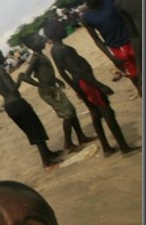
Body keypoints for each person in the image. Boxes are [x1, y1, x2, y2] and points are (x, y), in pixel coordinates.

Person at [43, 19, 140, 157]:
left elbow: (63, 73)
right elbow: (78, 70)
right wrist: (99, 84)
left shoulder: (54, 51)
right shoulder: (65, 50)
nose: (65, 29)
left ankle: (106, 147)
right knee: (107, 112)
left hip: (80, 84)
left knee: (95, 114)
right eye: (61, 28)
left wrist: (76, 88)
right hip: (87, 83)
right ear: (55, 33)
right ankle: (124, 147)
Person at [0, 47, 63, 169]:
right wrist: (20, 78)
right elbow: (13, 90)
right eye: (0, 54)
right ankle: (46, 161)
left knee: (31, 131)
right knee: (35, 129)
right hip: (18, 103)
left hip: (9, 107)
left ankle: (48, 153)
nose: (3, 56)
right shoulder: (1, 72)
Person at [19, 32, 96, 152]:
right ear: (33, 44)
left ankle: (81, 137)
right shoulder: (36, 58)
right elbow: (26, 77)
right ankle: (68, 143)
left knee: (71, 111)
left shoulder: (40, 55)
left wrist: (56, 80)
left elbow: (44, 72)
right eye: (40, 39)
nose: (43, 40)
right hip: (48, 91)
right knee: (67, 114)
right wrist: (42, 85)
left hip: (52, 88)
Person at [79, 0, 141, 97]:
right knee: (135, 78)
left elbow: (128, 20)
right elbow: (97, 40)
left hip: (132, 41)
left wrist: (137, 39)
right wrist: (112, 58)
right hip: (117, 50)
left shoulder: (111, 2)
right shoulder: (86, 18)